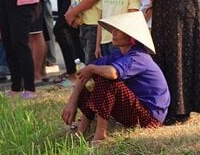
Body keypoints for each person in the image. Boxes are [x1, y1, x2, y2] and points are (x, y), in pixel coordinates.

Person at [61, 11, 170, 144]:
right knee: (90, 81)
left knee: (107, 79)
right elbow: (84, 72)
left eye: (119, 30)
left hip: (150, 118)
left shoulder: (139, 56)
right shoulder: (119, 54)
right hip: (134, 109)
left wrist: (91, 69)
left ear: (131, 36)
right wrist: (71, 102)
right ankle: (82, 129)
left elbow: (112, 74)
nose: (114, 32)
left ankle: (100, 135)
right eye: (114, 29)